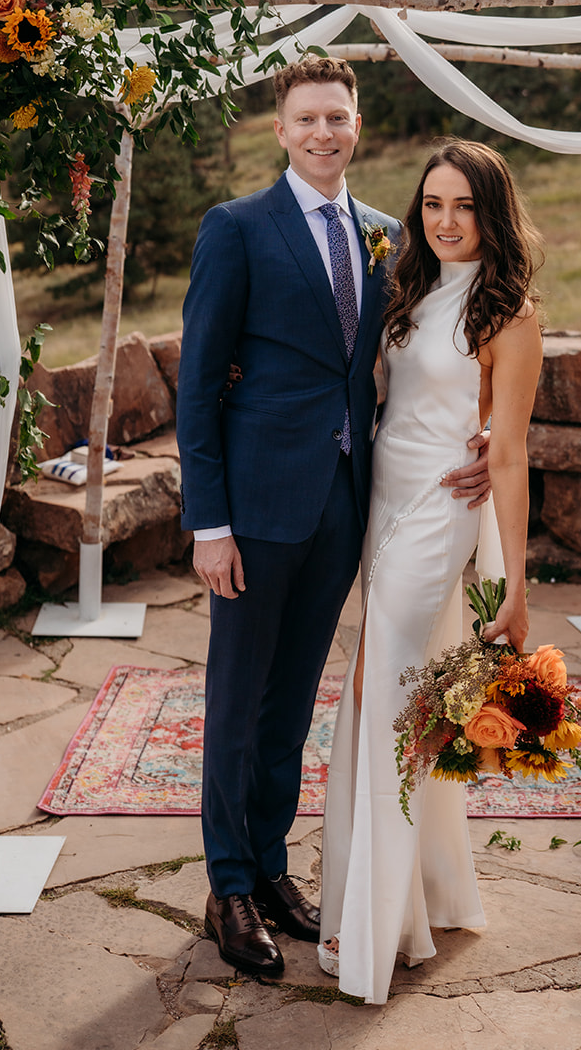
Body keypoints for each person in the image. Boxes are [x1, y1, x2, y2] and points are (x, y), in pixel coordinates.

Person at [177, 58, 492, 979]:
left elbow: (424, 356)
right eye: (307, 119)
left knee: (289, 707)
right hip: (255, 508)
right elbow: (199, 387)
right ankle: (227, 887)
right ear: (280, 130)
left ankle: (271, 870)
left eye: (339, 118)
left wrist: (476, 440)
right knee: (236, 703)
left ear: (358, 126)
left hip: (347, 508)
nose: (324, 132)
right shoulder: (234, 229)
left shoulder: (387, 237)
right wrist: (208, 524)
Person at [318, 139, 543, 1005]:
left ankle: (370, 924)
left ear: (492, 213)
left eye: (464, 207)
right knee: (381, 692)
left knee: (386, 698)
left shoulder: (509, 314)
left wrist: (514, 585)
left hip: (444, 511)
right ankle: (421, 892)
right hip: (382, 498)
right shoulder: (405, 285)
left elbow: (512, 453)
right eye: (433, 204)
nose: (446, 222)